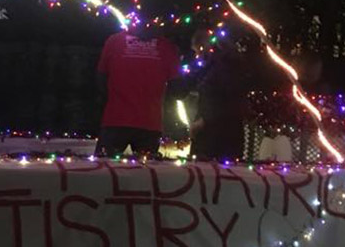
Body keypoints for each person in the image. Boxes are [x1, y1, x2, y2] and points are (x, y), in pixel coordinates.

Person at [95, 28, 181, 156]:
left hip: (115, 119)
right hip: (150, 123)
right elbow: (177, 89)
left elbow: (101, 78)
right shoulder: (167, 47)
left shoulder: (114, 41)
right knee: (145, 173)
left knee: (104, 171)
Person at [189, 30, 251, 162]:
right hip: (229, 133)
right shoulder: (228, 65)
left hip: (215, 136)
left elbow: (224, 100)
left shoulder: (219, 69)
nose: (196, 56)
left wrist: (204, 121)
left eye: (197, 51)